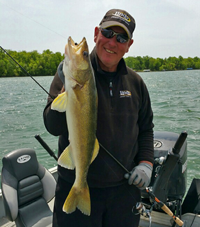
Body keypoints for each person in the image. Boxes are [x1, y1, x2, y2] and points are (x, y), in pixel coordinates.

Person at [43, 8, 154, 227]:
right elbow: (52, 126)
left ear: (129, 46)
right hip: (73, 184)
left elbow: (146, 128)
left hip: (124, 193)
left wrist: (146, 164)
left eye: (122, 38)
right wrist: (66, 89)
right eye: (107, 33)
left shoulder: (136, 83)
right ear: (96, 34)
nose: (113, 42)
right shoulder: (69, 75)